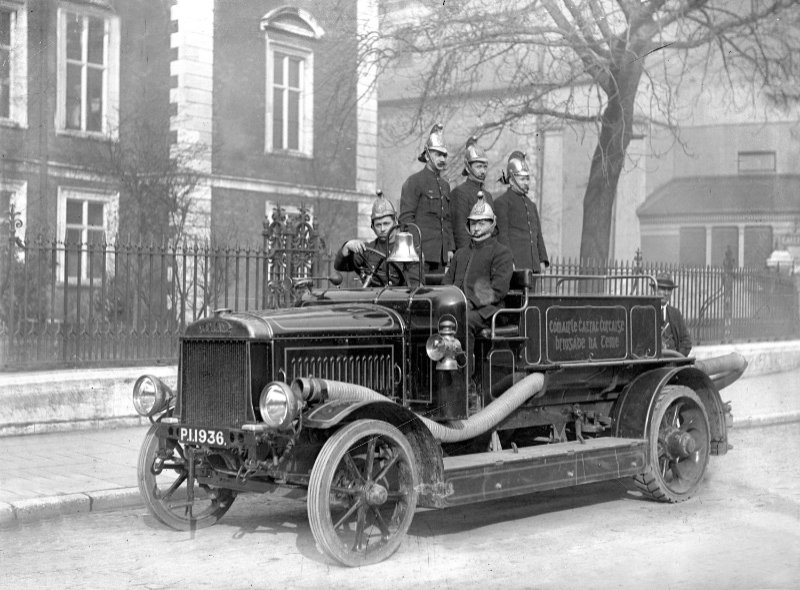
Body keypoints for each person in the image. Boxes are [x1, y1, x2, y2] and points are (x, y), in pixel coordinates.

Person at [444, 193, 513, 353]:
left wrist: (470, 302)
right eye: (473, 223)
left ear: (492, 224)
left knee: (463, 321)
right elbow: (446, 283)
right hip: (460, 307)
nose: (476, 228)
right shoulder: (460, 254)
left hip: (489, 310)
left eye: (481, 223)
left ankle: (464, 375)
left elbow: (498, 289)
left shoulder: (501, 253)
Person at [399, 123, 455, 273]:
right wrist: (415, 248)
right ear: (427, 155)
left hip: (440, 257)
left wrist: (449, 248)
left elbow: (447, 219)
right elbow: (406, 220)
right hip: (420, 255)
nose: (442, 159)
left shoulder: (445, 185)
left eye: (444, 155)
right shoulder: (414, 182)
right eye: (438, 154)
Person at [334, 192, 422, 287]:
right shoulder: (367, 251)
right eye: (378, 225)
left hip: (399, 299)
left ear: (395, 222)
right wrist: (347, 246)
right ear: (373, 227)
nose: (382, 229)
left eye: (386, 223)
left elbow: (415, 285)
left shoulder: (408, 249)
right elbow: (340, 266)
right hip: (372, 299)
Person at [494, 150, 549, 274]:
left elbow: (538, 235)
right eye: (522, 179)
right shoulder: (502, 203)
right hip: (515, 266)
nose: (526, 183)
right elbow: (502, 236)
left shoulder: (531, 205)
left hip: (533, 266)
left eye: (527, 179)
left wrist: (542, 260)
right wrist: (508, 261)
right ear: (512, 180)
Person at [451, 136, 494, 250]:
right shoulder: (459, 193)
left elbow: (493, 230)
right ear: (468, 167)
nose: (483, 171)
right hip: (470, 253)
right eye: (479, 167)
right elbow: (460, 231)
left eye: (485, 167)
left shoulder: (488, 196)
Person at [656, 273, 692, 356]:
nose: (666, 293)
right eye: (662, 288)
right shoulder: (646, 312)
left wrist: (678, 357)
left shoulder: (675, 314)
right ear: (655, 289)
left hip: (673, 362)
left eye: (669, 290)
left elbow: (687, 341)